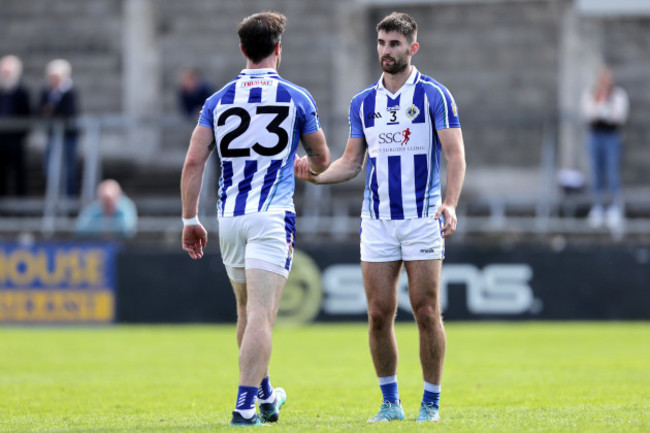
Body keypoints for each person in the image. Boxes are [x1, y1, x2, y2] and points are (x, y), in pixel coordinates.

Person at [295, 12, 466, 423]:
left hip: (423, 217)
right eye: (381, 43)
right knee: (378, 314)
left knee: (426, 310)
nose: (386, 51)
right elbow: (351, 163)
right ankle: (390, 403)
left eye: (394, 44)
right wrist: (316, 176)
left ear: (412, 48)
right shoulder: (363, 103)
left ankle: (431, 403)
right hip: (377, 221)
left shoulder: (434, 96)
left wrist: (451, 203)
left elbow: (456, 155)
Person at [180, 11, 330, 427]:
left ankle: (265, 397)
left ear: (243, 50)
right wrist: (304, 164)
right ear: (278, 50)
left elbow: (194, 161)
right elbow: (322, 159)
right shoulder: (297, 97)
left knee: (246, 312)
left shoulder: (217, 100)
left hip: (229, 217)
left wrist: (190, 218)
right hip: (271, 216)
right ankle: (245, 405)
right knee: (262, 315)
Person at [581, 67, 629, 230]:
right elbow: (588, 113)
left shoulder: (618, 95)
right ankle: (598, 207)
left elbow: (619, 115)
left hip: (611, 136)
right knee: (596, 172)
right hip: (595, 135)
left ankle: (615, 208)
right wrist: (600, 107)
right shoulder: (591, 94)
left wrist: (604, 109)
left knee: (612, 172)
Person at [39, 58, 80, 197]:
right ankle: (53, 196)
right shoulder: (46, 92)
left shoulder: (70, 92)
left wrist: (52, 109)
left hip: (68, 136)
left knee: (68, 169)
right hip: (53, 135)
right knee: (49, 168)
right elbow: (40, 110)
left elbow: (69, 112)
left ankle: (69, 199)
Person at [0, 54, 31, 197]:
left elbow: (28, 115)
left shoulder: (22, 92)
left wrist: (21, 133)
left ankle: (20, 208)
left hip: (16, 141)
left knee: (19, 173)